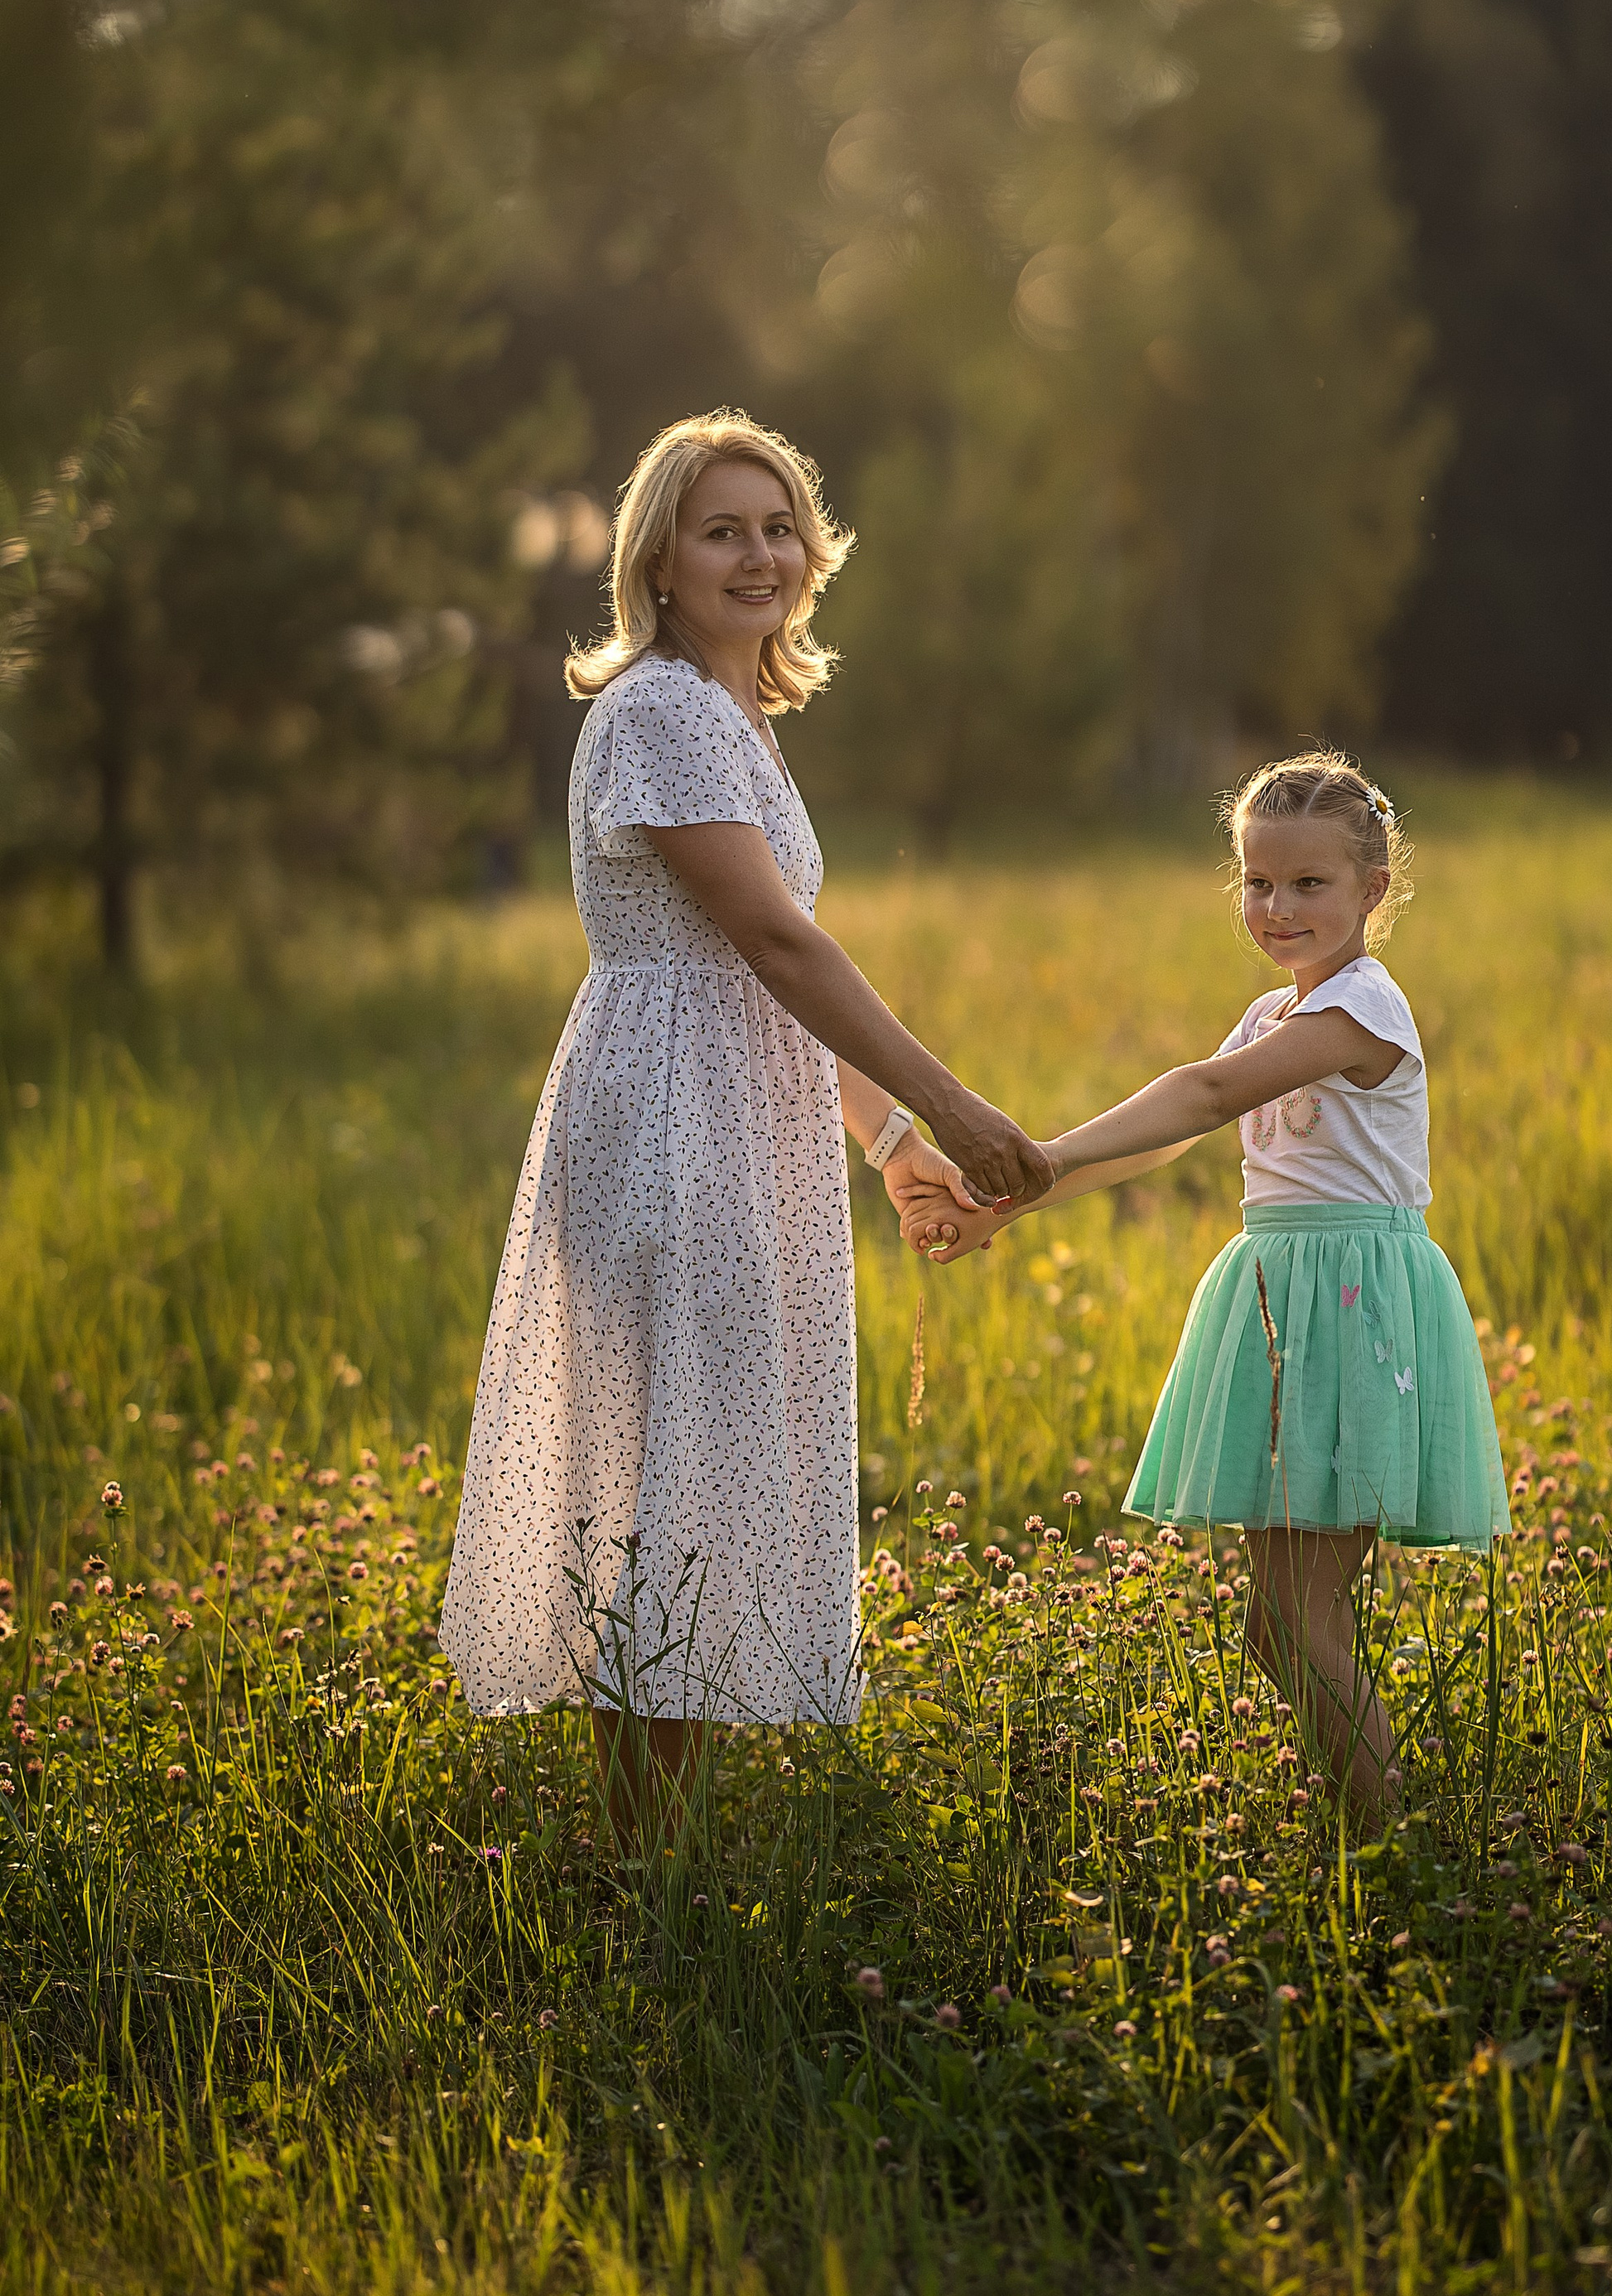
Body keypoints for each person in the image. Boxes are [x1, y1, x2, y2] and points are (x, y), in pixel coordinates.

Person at [438, 410, 1048, 1837]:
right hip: (666, 1119)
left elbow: (768, 972)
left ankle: (658, 1856)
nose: (760, 553)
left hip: (732, 1103)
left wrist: (892, 1148)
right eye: (724, 529)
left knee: (697, 1467)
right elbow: (775, 946)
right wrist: (954, 1108)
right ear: (659, 559)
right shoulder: (656, 709)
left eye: (778, 527)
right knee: (668, 1475)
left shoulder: (733, 716)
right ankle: (640, 1866)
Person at [900, 752, 1508, 1824]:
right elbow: (1155, 1146)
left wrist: (1030, 1149)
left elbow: (1207, 1091)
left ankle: (1381, 1847)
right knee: (1278, 1626)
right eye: (1258, 882)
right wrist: (1008, 1200)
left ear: (1374, 889)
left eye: (1308, 883)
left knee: (1299, 1615)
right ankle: (1368, 1831)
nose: (1277, 907)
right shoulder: (1272, 1013)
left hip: (1352, 1313)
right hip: (1288, 1303)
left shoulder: (1366, 1009)